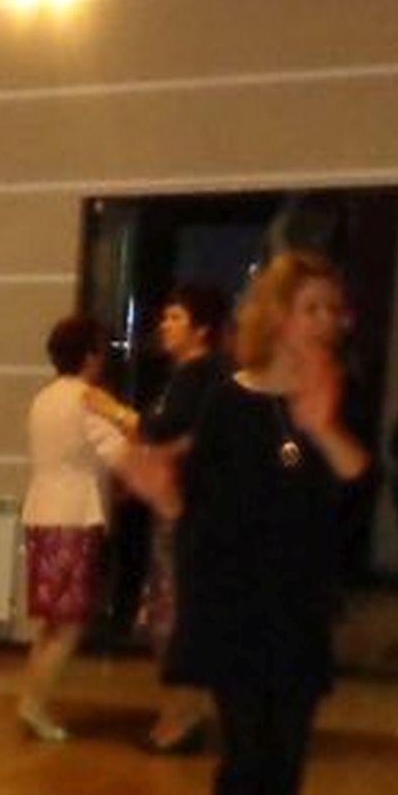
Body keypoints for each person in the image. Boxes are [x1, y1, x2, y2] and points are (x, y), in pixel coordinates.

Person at [163, 250, 370, 795]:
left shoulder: (342, 395)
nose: (326, 320)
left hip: (300, 601)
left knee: (287, 752)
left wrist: (321, 427)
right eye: (311, 307)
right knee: (245, 746)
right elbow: (198, 504)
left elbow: (360, 489)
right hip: (234, 599)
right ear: (278, 316)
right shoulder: (229, 398)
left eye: (332, 309)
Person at [16, 314, 143, 741]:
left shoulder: (43, 399)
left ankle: (30, 699)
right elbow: (122, 454)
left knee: (51, 622)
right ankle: (34, 704)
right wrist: (128, 420)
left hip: (41, 511)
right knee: (69, 624)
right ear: (90, 355)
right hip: (74, 516)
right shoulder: (87, 399)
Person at [142, 281, 231, 752]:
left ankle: (184, 714)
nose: (166, 325)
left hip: (192, 508)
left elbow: (193, 438)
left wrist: (121, 419)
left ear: (202, 329)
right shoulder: (182, 376)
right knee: (168, 610)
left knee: (180, 612)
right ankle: (180, 710)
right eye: (166, 317)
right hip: (171, 504)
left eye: (176, 318)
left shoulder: (207, 376)